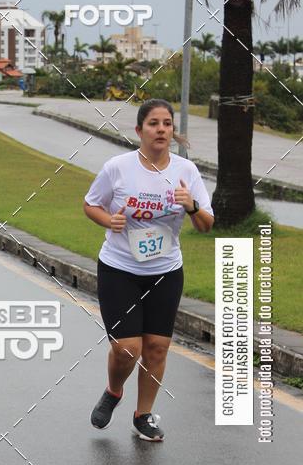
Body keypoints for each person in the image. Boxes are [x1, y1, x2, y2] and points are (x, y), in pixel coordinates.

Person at [84, 98, 214, 442]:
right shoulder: (118, 168)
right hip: (120, 269)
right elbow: (91, 204)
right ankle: (113, 391)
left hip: (165, 271)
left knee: (156, 347)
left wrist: (192, 206)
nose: (161, 129)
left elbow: (206, 224)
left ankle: (143, 415)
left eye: (167, 124)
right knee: (127, 348)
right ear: (139, 130)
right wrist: (107, 220)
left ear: (172, 130)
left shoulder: (186, 171)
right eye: (154, 123)